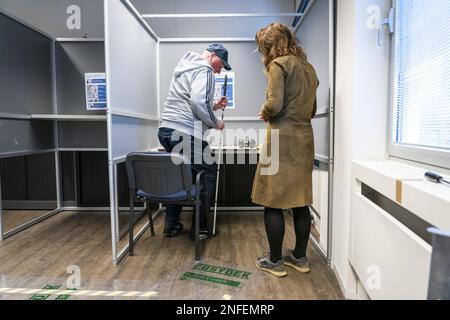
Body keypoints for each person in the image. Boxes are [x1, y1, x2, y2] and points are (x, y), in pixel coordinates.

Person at [251, 23, 319, 277]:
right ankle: (300, 258)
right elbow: (311, 110)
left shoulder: (278, 65)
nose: (263, 54)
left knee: (272, 201)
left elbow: (275, 103)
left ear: (271, 46)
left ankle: (275, 261)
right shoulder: (310, 69)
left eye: (263, 48)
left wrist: (265, 111)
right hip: (304, 140)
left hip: (280, 140)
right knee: (301, 201)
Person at [158, 43, 231, 239]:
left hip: (166, 129)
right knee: (207, 173)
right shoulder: (205, 69)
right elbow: (198, 103)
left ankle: (171, 225)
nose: (220, 69)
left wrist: (213, 106)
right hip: (184, 132)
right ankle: (202, 229)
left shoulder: (185, 66)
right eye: (221, 64)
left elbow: (189, 102)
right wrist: (216, 123)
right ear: (213, 56)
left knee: (180, 176)